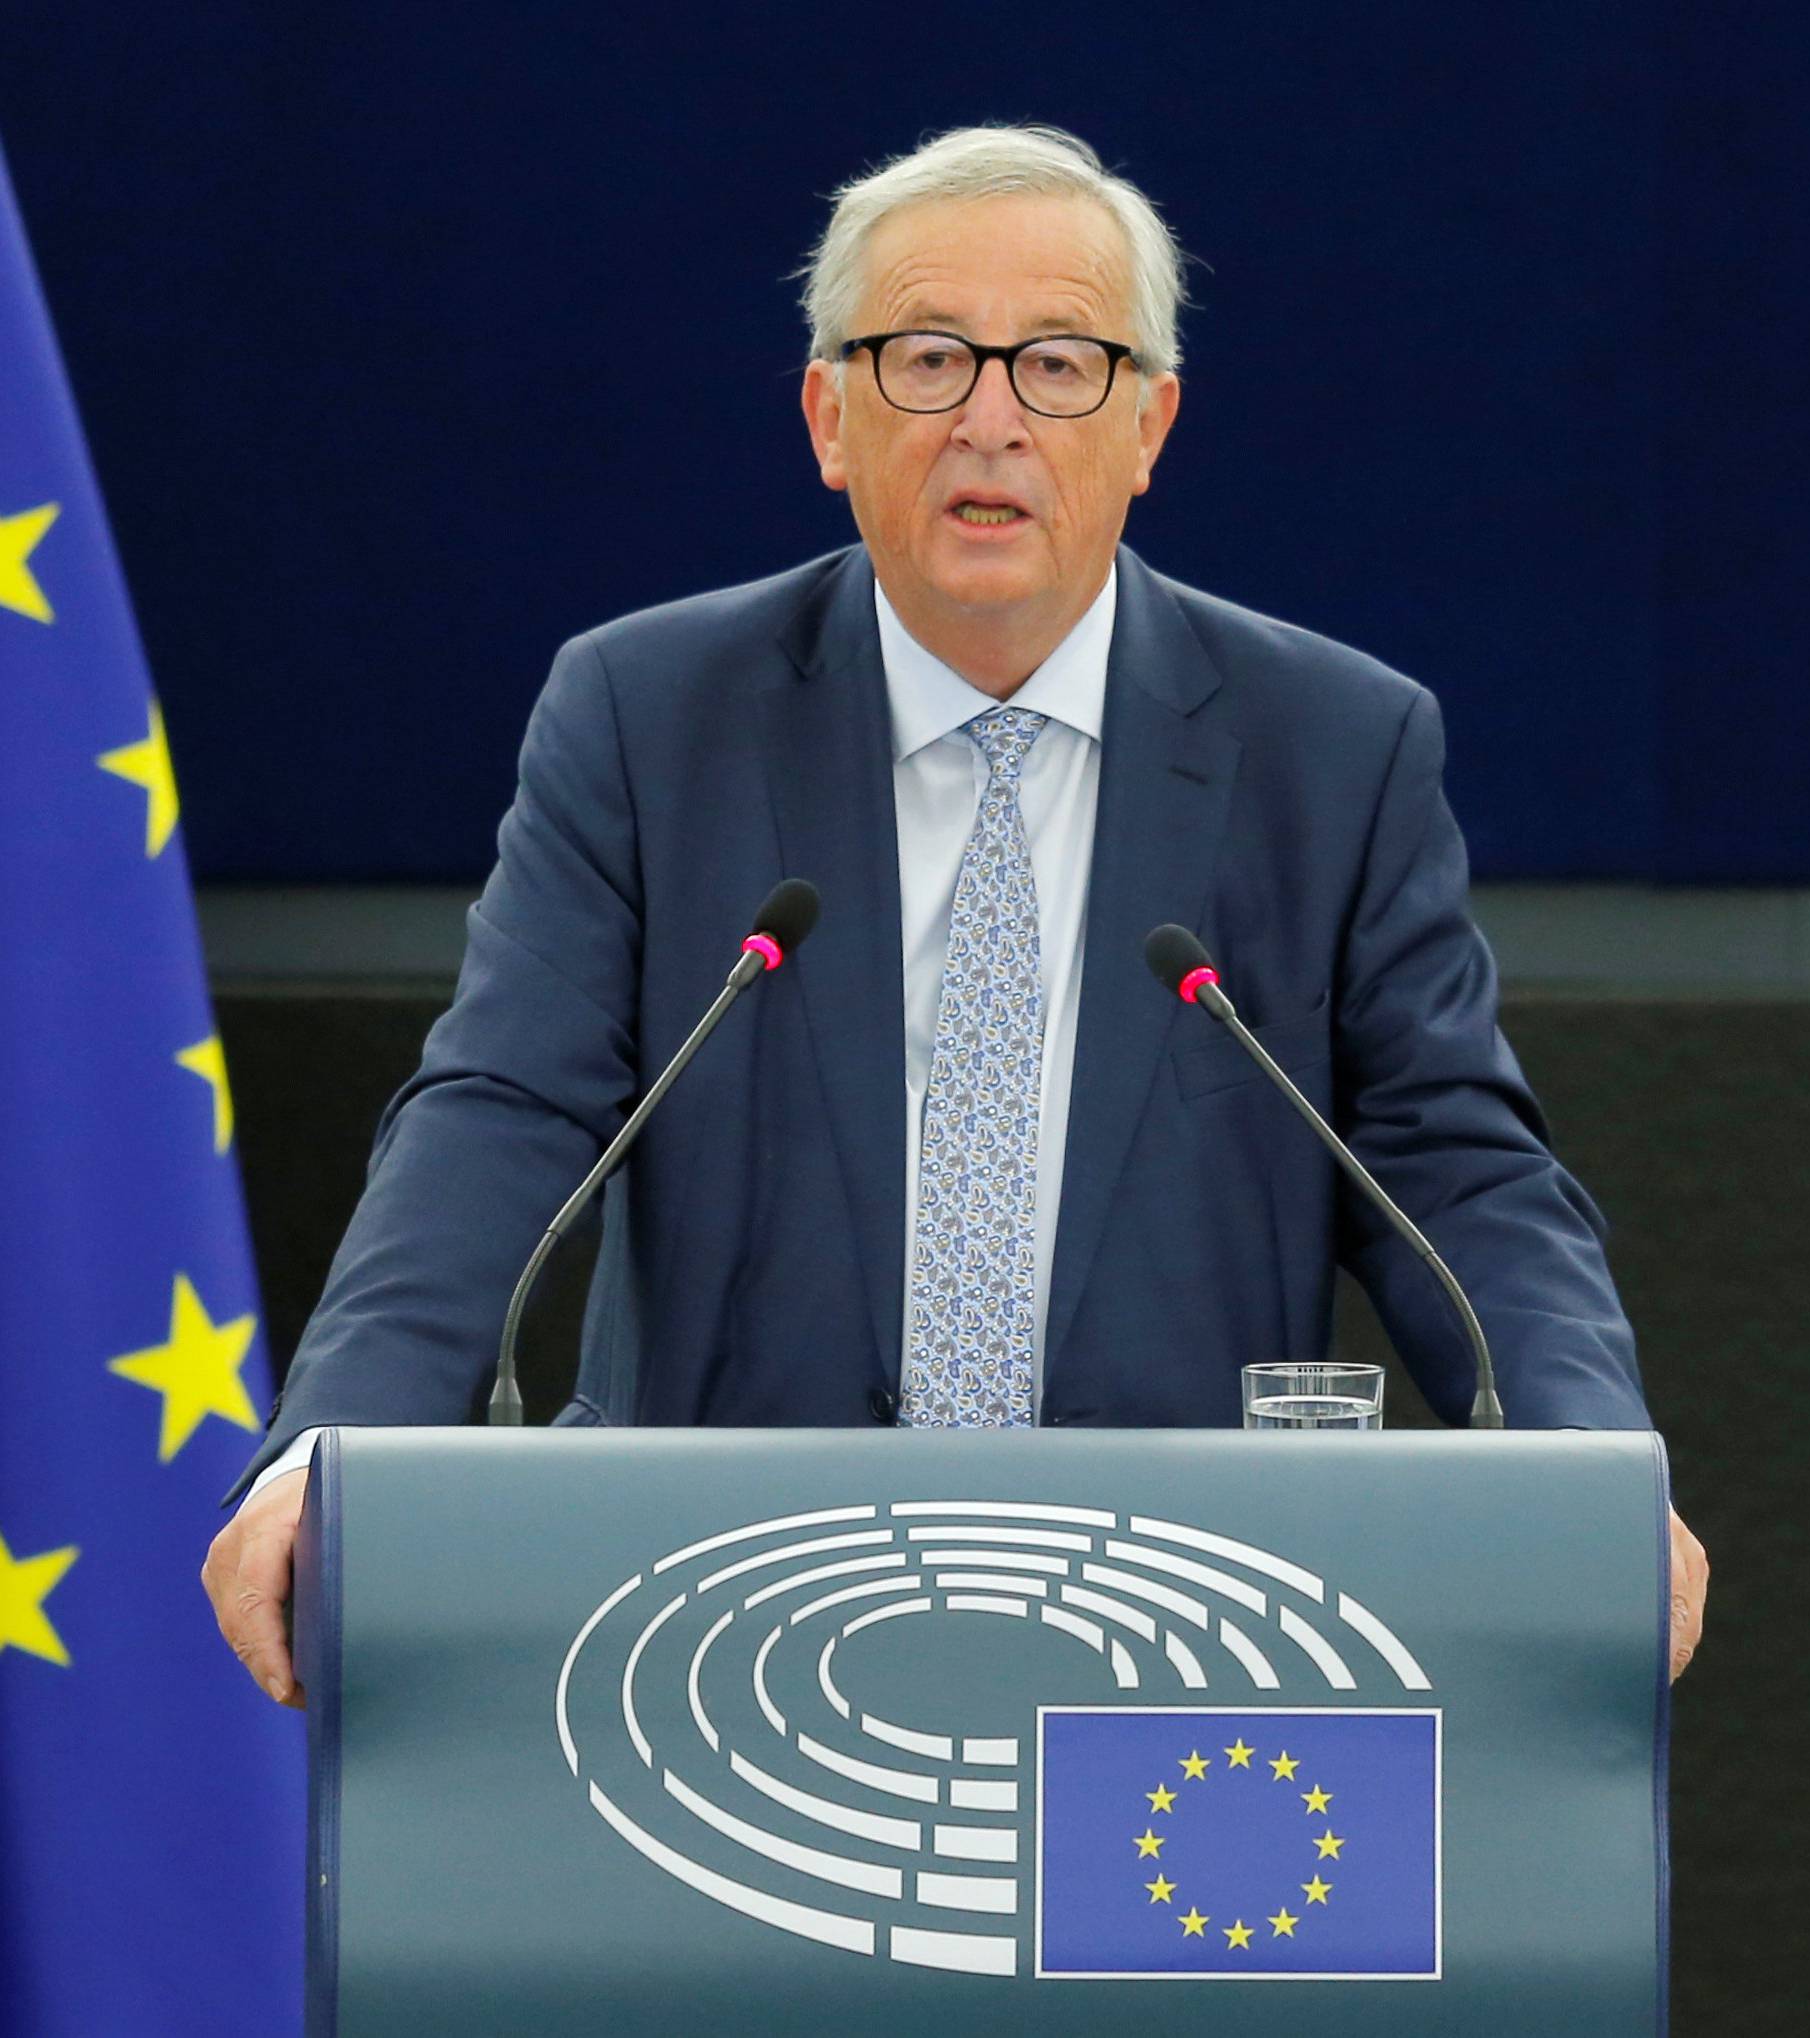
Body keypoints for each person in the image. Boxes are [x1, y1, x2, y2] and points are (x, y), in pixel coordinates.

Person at [202, 123, 1708, 1705]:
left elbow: (1457, 1170)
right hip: (708, 1622)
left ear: (1150, 425)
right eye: (927, 358)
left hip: (1174, 1631)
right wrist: (332, 1448)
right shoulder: (649, 716)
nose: (991, 418)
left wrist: (1591, 1467)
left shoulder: (1333, 748)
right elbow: (497, 1115)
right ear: (828, 417)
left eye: (1058, 363)